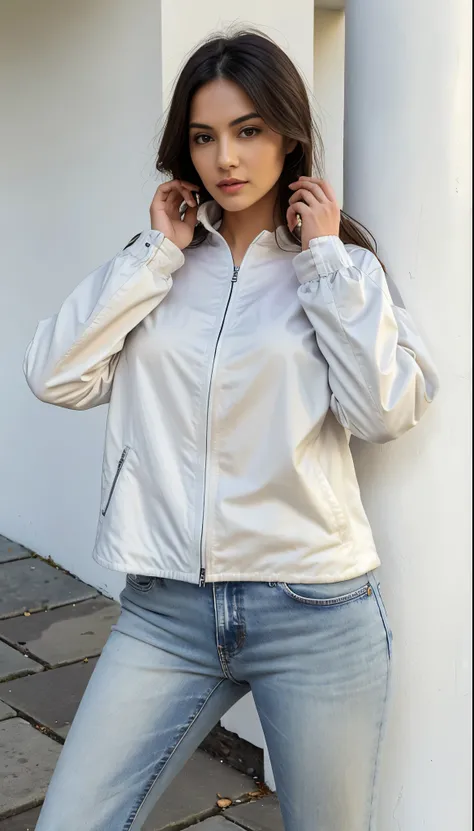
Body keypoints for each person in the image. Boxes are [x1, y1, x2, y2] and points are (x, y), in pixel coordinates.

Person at [24, 28, 439, 831]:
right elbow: (55, 376)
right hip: (166, 608)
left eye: (249, 130)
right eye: (205, 136)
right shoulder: (159, 266)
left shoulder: (339, 268)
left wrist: (324, 262)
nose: (227, 158)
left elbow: (383, 411)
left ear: (289, 134)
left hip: (312, 606)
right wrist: (152, 254)